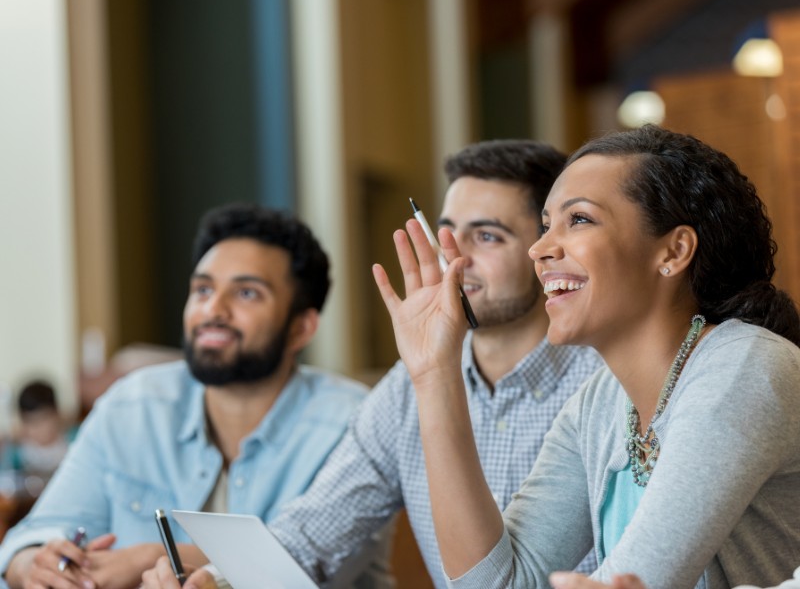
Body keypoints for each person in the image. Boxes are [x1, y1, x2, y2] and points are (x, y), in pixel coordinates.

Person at [143, 139, 604, 589]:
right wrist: (215, 581)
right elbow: (311, 537)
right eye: (443, 231)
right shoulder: (407, 386)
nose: (453, 257)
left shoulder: (603, 383)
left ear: (547, 247)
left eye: (487, 236)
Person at [371, 125, 800, 588]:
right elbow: (498, 584)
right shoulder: (597, 405)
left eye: (578, 219)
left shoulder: (744, 368)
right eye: (544, 225)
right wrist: (435, 373)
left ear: (674, 251)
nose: (539, 249)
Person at [0, 204, 368, 589]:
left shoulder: (350, 423)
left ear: (301, 328)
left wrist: (151, 556)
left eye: (246, 292)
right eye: (203, 289)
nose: (213, 309)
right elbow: (32, 538)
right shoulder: (133, 405)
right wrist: (36, 567)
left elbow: (309, 565)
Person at [3, 380, 75, 478]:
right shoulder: (16, 454)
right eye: (30, 421)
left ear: (56, 414)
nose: (37, 429)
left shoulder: (75, 442)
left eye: (43, 419)